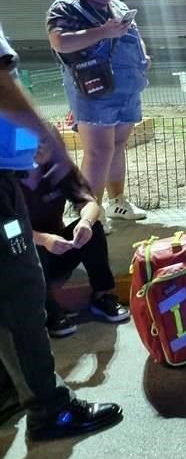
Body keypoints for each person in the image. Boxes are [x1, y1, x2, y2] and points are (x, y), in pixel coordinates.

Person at [0, 21, 123, 440]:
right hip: (7, 194)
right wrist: (35, 133)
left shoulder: (51, 167)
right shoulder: (22, 154)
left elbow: (85, 197)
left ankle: (12, 391)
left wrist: (84, 222)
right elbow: (1, 81)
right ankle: (48, 408)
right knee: (18, 294)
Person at [45, 0, 150, 234]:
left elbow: (131, 35)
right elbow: (60, 42)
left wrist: (142, 57)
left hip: (126, 86)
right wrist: (103, 32)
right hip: (92, 89)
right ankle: (90, 213)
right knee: (98, 151)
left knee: (117, 146)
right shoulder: (65, 8)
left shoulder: (116, 6)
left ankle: (117, 202)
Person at [20, 133, 129, 338]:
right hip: (20, 261)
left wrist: (85, 222)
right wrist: (44, 239)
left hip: (56, 250)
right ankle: (49, 310)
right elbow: (8, 229)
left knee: (94, 228)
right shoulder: (7, 178)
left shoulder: (58, 169)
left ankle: (103, 294)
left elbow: (89, 202)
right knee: (30, 246)